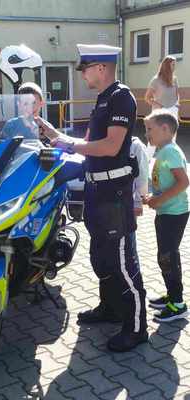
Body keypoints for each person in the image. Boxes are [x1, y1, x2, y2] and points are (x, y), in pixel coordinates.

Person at [37, 44, 148, 352]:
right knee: (101, 258)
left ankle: (137, 327)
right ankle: (111, 309)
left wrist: (68, 144)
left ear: (100, 67)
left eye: (84, 68)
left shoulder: (120, 97)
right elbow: (88, 143)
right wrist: (53, 134)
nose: (82, 74)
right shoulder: (103, 100)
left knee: (123, 264)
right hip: (96, 193)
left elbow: (111, 147)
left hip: (114, 195)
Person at [143, 110, 189, 322]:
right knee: (165, 256)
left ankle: (178, 304)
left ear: (165, 129)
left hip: (173, 212)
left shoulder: (169, 151)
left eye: (149, 129)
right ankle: (172, 295)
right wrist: (153, 196)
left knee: (168, 257)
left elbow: (183, 182)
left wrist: (159, 201)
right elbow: (166, 181)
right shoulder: (162, 150)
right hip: (166, 211)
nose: (146, 134)